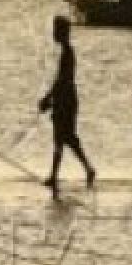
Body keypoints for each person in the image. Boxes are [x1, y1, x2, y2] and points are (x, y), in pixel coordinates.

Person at [38, 16, 95, 199]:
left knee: (61, 137)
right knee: (68, 138)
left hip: (66, 100)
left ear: (62, 32)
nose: (53, 34)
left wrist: (48, 99)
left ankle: (55, 176)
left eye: (56, 30)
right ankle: (87, 168)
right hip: (66, 98)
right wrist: (50, 98)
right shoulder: (66, 52)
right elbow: (61, 81)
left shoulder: (67, 54)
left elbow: (62, 80)